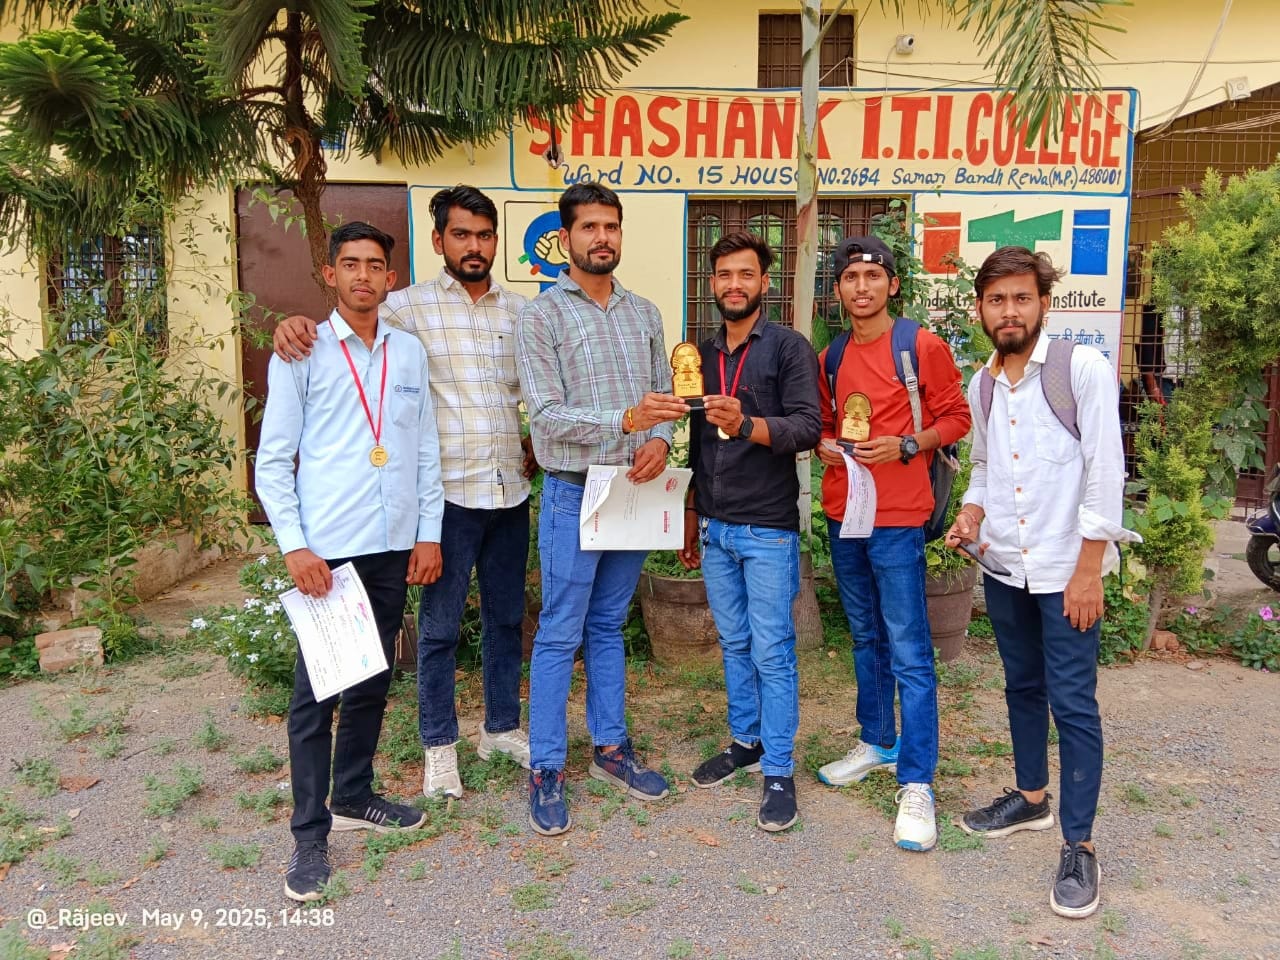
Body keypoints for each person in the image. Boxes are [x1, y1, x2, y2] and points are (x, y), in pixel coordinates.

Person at [273, 186, 536, 800]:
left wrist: (532, 440)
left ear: (496, 241)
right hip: (447, 500)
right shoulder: (406, 308)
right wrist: (293, 323)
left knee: (505, 619)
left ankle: (501, 728)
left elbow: (531, 389)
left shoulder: (520, 313)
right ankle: (439, 746)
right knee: (438, 631)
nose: (474, 246)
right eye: (461, 234)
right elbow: (348, 320)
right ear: (439, 240)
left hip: (508, 489)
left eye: (484, 235)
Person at [256, 221, 444, 902]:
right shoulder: (301, 351)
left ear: (390, 278)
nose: (363, 275)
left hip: (393, 543)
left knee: (373, 676)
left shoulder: (408, 352)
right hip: (328, 552)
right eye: (350, 264)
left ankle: (354, 794)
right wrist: (295, 546)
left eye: (374, 265)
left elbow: (424, 449)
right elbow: (273, 460)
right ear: (330, 274)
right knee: (316, 695)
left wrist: (428, 533)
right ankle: (309, 835)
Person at [946, 245, 1133, 919]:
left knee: (1073, 704)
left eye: (1021, 298)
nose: (1009, 311)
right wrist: (971, 513)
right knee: (1021, 685)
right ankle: (1031, 799)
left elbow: (1105, 471)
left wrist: (1088, 572)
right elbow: (985, 467)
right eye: (997, 300)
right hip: (1006, 568)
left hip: (1065, 571)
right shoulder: (984, 384)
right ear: (981, 309)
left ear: (1044, 305)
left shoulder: (1079, 369)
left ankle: (1079, 845)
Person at [516, 182, 688, 836]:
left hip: (633, 490)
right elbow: (545, 415)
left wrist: (659, 439)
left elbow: (663, 396)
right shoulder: (542, 317)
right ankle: (546, 767)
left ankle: (611, 748)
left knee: (610, 624)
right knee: (561, 630)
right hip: (573, 490)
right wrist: (625, 421)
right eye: (589, 227)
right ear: (566, 238)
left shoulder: (644, 313)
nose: (602, 238)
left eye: (611, 226)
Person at [813, 236, 971, 852]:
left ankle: (918, 781)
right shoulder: (831, 356)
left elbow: (957, 418)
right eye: (850, 278)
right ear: (838, 290)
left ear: (893, 285)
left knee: (909, 648)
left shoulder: (919, 346)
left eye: (872, 277)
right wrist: (825, 445)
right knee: (865, 634)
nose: (862, 287)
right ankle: (877, 740)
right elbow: (826, 423)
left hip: (899, 516)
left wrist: (907, 444)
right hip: (843, 512)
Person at [676, 231, 821, 832]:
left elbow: (808, 427)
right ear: (712, 284)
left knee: (772, 650)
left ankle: (779, 770)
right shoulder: (699, 354)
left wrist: (747, 424)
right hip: (716, 527)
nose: (734, 285)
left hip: (767, 530)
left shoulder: (788, 348)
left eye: (746, 274)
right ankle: (747, 742)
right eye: (724, 275)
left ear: (765, 282)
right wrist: (691, 513)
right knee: (734, 643)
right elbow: (696, 438)